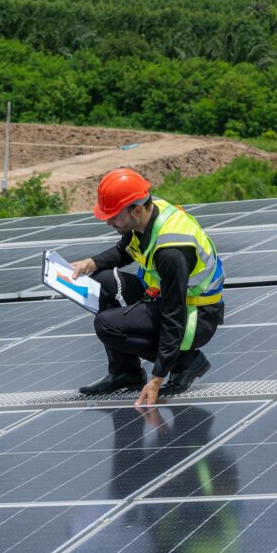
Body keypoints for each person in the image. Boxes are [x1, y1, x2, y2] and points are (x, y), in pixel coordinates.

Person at [70, 168, 225, 406]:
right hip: (164, 298)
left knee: (107, 326)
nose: (110, 223)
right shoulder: (148, 212)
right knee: (100, 281)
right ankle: (126, 373)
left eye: (114, 217)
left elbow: (174, 315)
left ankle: (186, 363)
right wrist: (91, 263)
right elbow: (125, 250)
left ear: (137, 210)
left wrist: (157, 377)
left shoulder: (171, 251)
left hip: (194, 314)